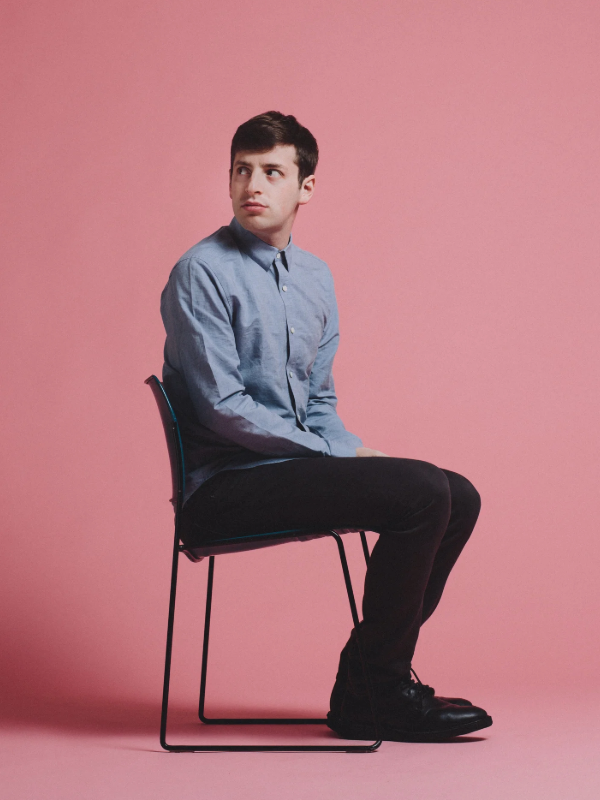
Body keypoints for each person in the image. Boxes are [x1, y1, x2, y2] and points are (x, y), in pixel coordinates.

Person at [160, 111, 493, 742]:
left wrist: (348, 449)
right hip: (223, 487)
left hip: (291, 469)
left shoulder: (315, 277)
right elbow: (222, 407)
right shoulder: (200, 272)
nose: (252, 185)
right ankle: (379, 690)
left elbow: (317, 399)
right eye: (241, 170)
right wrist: (326, 453)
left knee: (459, 494)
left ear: (305, 187)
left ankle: (369, 682)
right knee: (422, 491)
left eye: (272, 172)